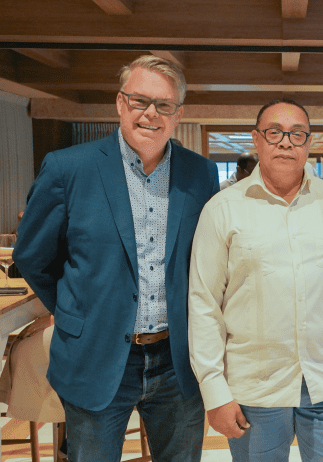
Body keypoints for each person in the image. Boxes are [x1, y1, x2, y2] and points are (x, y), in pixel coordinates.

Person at [13, 55, 218, 461]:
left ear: (178, 114)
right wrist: (77, 311)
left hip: (177, 361)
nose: (151, 113)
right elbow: (33, 256)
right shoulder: (68, 168)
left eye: (164, 105)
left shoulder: (201, 174)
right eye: (140, 101)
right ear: (121, 103)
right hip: (94, 354)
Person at [188, 98, 323, 462]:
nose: (286, 142)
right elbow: (204, 305)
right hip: (253, 389)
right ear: (256, 139)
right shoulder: (222, 209)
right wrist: (214, 391)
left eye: (297, 134)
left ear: (309, 142)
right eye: (274, 132)